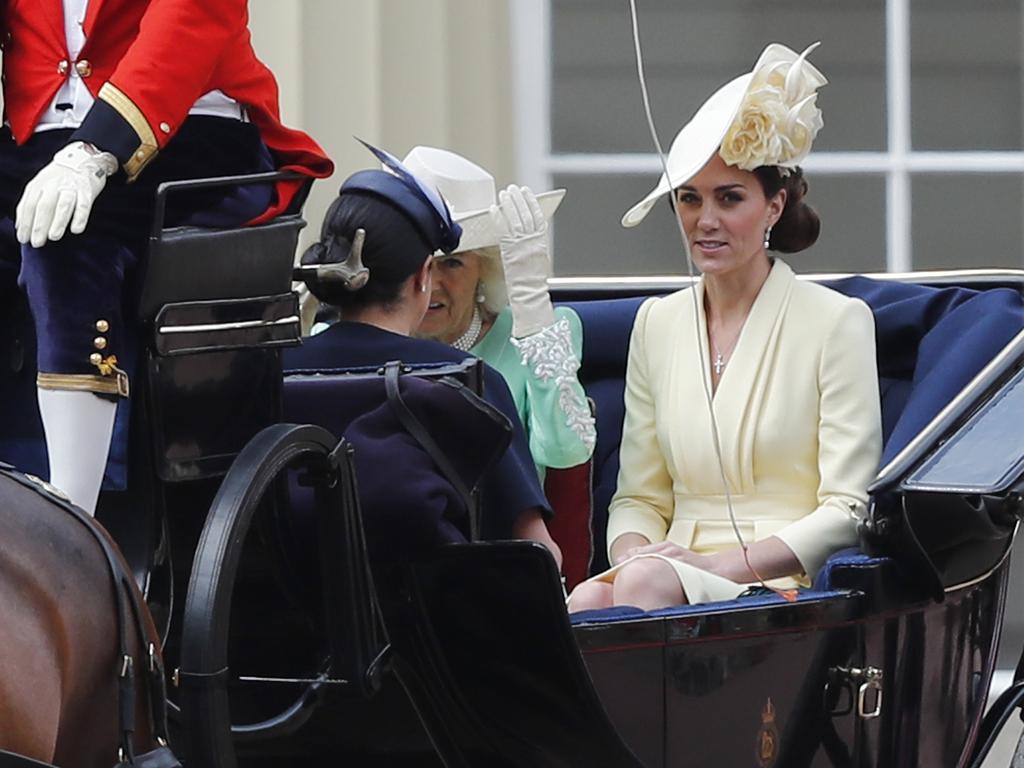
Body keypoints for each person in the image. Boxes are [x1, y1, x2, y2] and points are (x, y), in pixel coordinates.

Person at [568, 43, 882, 611]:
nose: (705, 220)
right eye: (689, 199)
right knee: (577, 606)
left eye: (729, 198)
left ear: (774, 206)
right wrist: (638, 553)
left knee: (631, 593)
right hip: (663, 573)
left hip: (784, 585)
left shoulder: (837, 321)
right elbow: (637, 495)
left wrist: (715, 566)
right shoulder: (655, 324)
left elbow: (846, 510)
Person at [0, 1, 333, 513]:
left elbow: (189, 19)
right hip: (37, 139)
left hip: (186, 127)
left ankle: (71, 521)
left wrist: (97, 147)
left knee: (64, 232)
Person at [284, 145, 562, 566]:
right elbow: (537, 554)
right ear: (422, 278)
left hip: (280, 626)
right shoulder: (466, 380)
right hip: (433, 625)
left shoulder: (273, 373)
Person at [402, 146, 596, 478]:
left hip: (499, 528)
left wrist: (533, 309)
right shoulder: (362, 338)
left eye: (452, 263)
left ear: (485, 269)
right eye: (419, 263)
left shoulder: (543, 333)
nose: (431, 284)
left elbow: (567, 451)